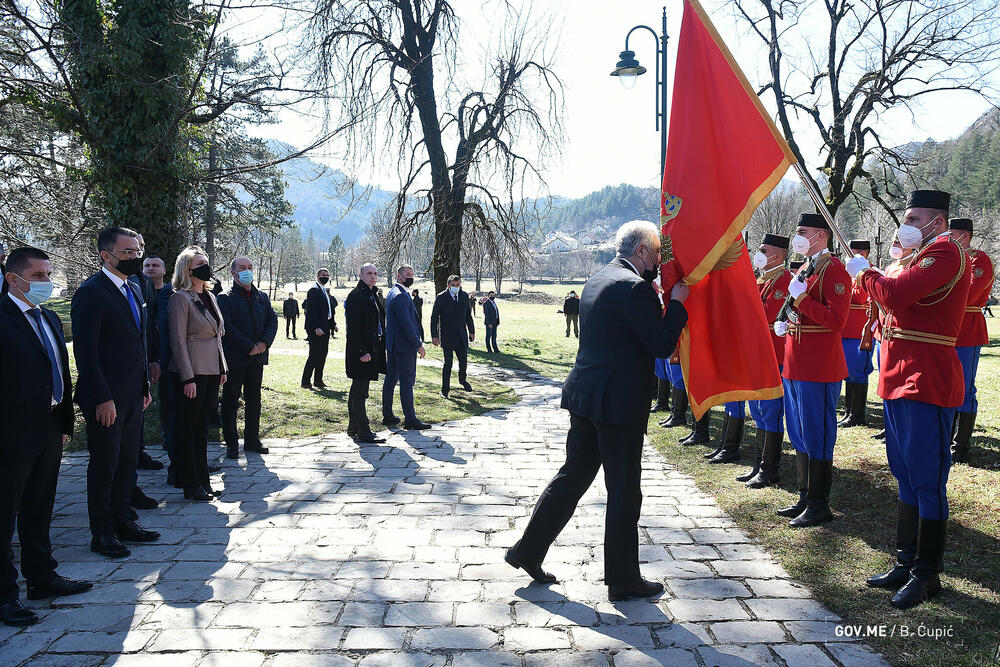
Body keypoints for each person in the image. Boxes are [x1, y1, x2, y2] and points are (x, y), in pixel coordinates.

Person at [505, 220, 689, 601]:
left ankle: (527, 550)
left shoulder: (598, 278)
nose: (659, 260)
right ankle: (623, 580)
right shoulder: (636, 288)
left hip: (586, 397)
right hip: (617, 404)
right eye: (657, 253)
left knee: (571, 477)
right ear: (641, 251)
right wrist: (678, 305)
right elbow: (659, 343)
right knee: (624, 491)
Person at [850, 189, 970, 609]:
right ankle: (905, 560)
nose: (909, 224)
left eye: (916, 218)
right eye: (907, 217)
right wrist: (876, 278)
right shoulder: (919, 256)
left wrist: (866, 273)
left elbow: (896, 296)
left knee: (926, 477)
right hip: (900, 375)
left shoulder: (948, 252)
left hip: (928, 378)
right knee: (902, 470)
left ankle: (927, 574)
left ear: (938, 221)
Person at [0, 247, 92, 626]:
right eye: (38, 276)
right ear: (13, 279)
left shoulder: (50, 317)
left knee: (39, 507)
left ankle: (42, 577)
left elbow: (57, 368)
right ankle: (6, 595)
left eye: (48, 274)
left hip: (50, 426)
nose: (46, 283)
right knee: (5, 515)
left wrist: (64, 421)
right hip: (11, 433)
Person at [72, 226, 159, 558]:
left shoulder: (134, 288)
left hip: (132, 395)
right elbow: (87, 353)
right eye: (128, 253)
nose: (135, 257)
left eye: (138, 251)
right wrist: (101, 397)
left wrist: (143, 386)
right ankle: (103, 533)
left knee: (126, 463)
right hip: (105, 398)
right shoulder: (91, 293)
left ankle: (123, 521)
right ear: (106, 256)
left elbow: (138, 342)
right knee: (105, 465)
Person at [773, 213, 850, 528]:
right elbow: (793, 302)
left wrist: (802, 299)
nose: (798, 237)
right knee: (799, 431)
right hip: (795, 361)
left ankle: (820, 503)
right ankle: (805, 495)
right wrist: (785, 314)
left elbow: (836, 320)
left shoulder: (835, 270)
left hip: (818, 365)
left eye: (802, 231)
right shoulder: (807, 266)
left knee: (817, 434)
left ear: (821, 234)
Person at [167, 247, 228, 502]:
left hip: (212, 370)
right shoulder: (181, 298)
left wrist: (222, 367)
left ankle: (203, 480)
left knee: (202, 429)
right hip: (192, 373)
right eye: (199, 264)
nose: (205, 267)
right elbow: (177, 340)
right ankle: (190, 483)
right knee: (188, 429)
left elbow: (217, 335)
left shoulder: (210, 296)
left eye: (206, 262)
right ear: (187, 270)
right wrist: (187, 377)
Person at [739, 234, 791, 488]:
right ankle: (759, 463)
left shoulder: (784, 281)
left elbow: (767, 313)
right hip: (756, 354)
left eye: (763, 250)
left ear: (778, 255)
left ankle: (770, 468)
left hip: (774, 355)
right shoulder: (761, 279)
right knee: (757, 410)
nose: (758, 254)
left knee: (770, 412)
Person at [216, 257, 278, 459]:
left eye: (250, 267)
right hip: (236, 358)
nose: (247, 271)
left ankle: (252, 440)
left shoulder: (261, 296)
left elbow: (272, 320)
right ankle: (232, 443)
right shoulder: (225, 297)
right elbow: (228, 327)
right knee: (231, 401)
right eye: (242, 268)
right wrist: (249, 346)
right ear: (233, 272)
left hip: (257, 358)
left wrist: (263, 343)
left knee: (254, 400)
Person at [948, 218, 994, 463]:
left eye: (951, 233)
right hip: (945, 329)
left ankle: (961, 445)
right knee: (947, 384)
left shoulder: (979, 260)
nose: (947, 238)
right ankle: (947, 437)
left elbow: (971, 294)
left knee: (965, 387)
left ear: (964, 236)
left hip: (967, 328)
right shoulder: (951, 257)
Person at [382, 264, 431, 430]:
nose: (411, 277)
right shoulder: (401, 295)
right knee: (406, 382)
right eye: (408, 274)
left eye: (412, 273)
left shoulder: (391, 292)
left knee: (390, 381)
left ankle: (387, 415)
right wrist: (418, 344)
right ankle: (410, 419)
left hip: (393, 345)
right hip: (404, 347)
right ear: (399, 276)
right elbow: (406, 324)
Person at [345, 263, 387, 443]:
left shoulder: (371, 293)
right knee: (360, 392)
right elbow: (353, 328)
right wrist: (361, 351)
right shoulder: (356, 296)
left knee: (358, 390)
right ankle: (363, 430)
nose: (373, 276)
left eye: (375, 273)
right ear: (360, 275)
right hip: (361, 351)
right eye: (369, 273)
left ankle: (353, 426)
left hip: (372, 349)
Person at [143, 255, 177, 477]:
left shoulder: (171, 295)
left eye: (155, 265)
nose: (150, 268)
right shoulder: (137, 291)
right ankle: (137, 453)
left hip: (165, 359)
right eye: (146, 265)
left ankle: (172, 448)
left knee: (170, 407)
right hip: (141, 358)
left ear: (164, 270)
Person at [839, 239, 875, 428]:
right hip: (845, 330)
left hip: (859, 331)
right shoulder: (849, 272)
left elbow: (859, 296)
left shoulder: (869, 272)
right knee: (848, 373)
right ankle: (848, 411)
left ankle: (858, 414)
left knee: (858, 373)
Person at [430, 274, 476, 398]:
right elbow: (434, 317)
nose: (456, 287)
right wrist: (434, 336)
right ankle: (445, 389)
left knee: (463, 362)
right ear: (448, 285)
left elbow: (468, 316)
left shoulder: (464, 296)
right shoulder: (441, 297)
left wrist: (472, 331)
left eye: (458, 285)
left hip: (461, 335)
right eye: (453, 285)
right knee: (448, 364)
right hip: (447, 336)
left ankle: (463, 380)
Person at [302, 268, 337, 389]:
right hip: (316, 328)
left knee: (323, 354)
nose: (326, 277)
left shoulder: (323, 290)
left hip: (325, 327)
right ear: (317, 276)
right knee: (314, 355)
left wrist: (333, 324)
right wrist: (316, 327)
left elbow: (328, 309)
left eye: (327, 275)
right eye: (323, 275)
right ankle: (305, 381)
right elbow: (311, 311)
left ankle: (318, 380)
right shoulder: (314, 290)